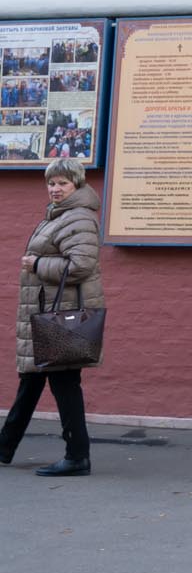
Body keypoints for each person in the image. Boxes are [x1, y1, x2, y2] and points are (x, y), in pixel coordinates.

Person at [0, 159, 103, 476]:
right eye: (51, 183)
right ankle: (5, 446)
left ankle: (77, 457)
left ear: (77, 184)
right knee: (31, 380)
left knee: (64, 383)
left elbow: (81, 265)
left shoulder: (79, 217)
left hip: (61, 316)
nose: (55, 189)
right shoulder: (57, 214)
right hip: (44, 312)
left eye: (62, 183)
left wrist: (37, 264)